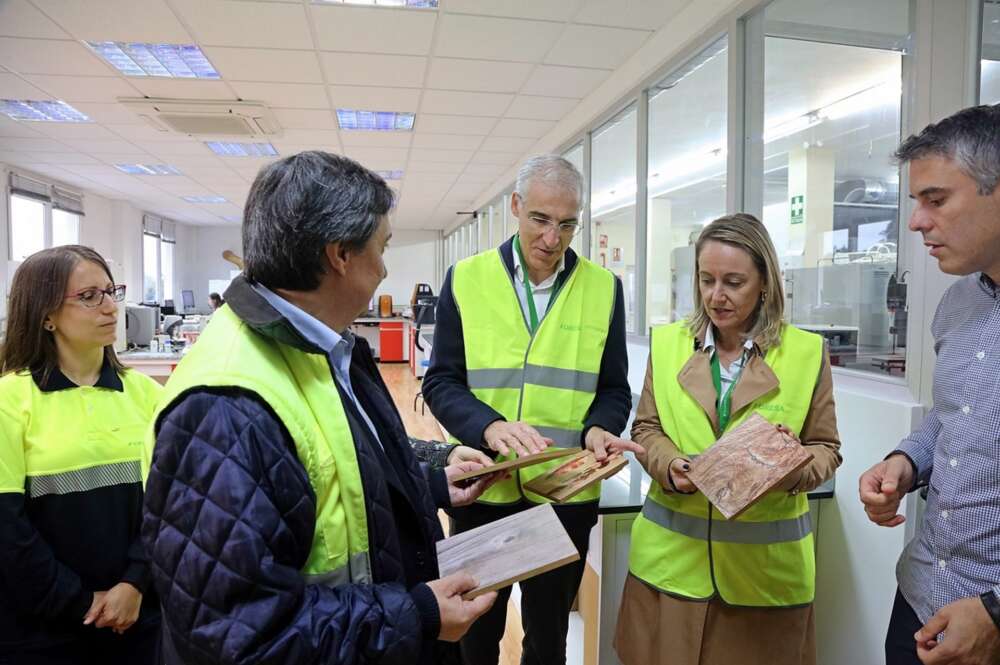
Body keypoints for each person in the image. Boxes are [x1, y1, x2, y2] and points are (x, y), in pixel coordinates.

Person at [141, 151, 498, 665]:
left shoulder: (318, 348)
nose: (385, 267)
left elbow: (338, 476)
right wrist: (413, 615)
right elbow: (237, 633)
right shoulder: (226, 408)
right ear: (340, 256)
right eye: (382, 247)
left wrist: (433, 483)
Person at [422, 154, 638, 665]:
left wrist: (599, 429)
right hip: (483, 491)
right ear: (516, 207)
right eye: (540, 219)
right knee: (474, 640)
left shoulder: (605, 289)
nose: (552, 238)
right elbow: (441, 381)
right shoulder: (466, 279)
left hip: (565, 497)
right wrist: (489, 426)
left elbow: (613, 389)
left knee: (548, 639)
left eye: (567, 224)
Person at [614, 213, 842, 665]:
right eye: (706, 279)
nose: (716, 296)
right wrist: (669, 466)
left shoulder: (805, 353)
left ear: (764, 282)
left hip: (763, 582)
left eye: (734, 282)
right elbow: (646, 428)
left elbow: (826, 449)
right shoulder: (668, 345)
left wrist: (790, 469)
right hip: (670, 571)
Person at [859, 104, 1000, 665]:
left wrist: (997, 611)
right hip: (920, 599)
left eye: (935, 200)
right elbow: (952, 414)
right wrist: (906, 461)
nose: (916, 222)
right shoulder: (958, 302)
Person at [0, 246, 163, 665]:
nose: (110, 307)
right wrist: (81, 604)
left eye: (111, 291)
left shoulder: (147, 395)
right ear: (45, 315)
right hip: (42, 631)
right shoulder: (9, 400)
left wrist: (135, 583)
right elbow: (7, 529)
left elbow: (169, 507)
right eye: (90, 296)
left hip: (139, 618)